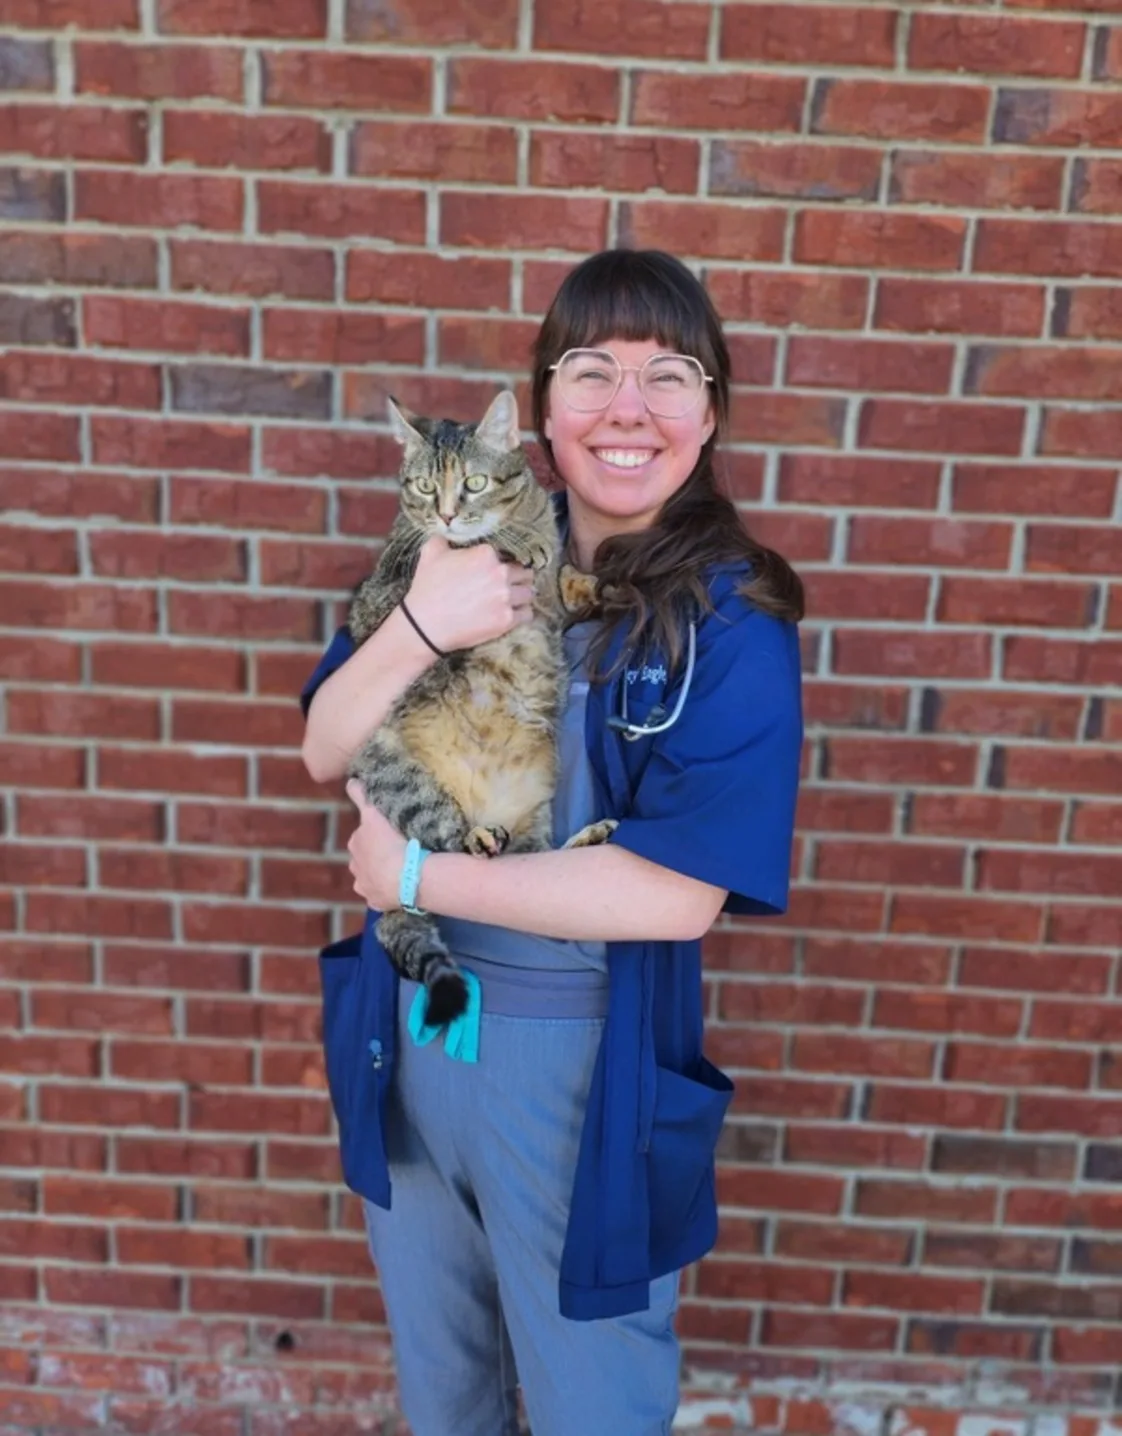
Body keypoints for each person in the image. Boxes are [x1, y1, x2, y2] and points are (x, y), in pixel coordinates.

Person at [299, 248, 804, 1436]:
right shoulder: (454, 562)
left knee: (594, 1405)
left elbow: (681, 896)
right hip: (416, 1038)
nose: (628, 408)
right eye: (592, 371)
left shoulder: (734, 621)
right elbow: (326, 742)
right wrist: (423, 621)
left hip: (574, 1059)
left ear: (711, 409)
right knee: (446, 1393)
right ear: (539, 409)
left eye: (668, 374)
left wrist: (417, 874)